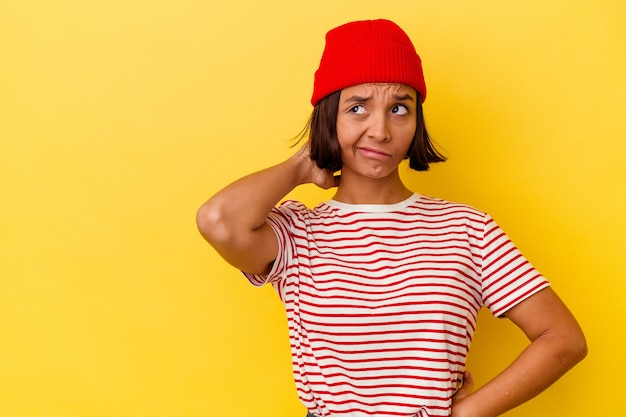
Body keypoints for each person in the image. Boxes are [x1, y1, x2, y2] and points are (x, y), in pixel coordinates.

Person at [196, 19, 587, 417]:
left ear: (416, 122)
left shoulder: (468, 229)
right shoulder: (297, 233)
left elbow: (562, 339)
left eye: (399, 108)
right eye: (357, 108)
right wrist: (301, 165)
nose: (380, 131)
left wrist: (469, 413)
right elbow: (218, 221)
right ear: (328, 117)